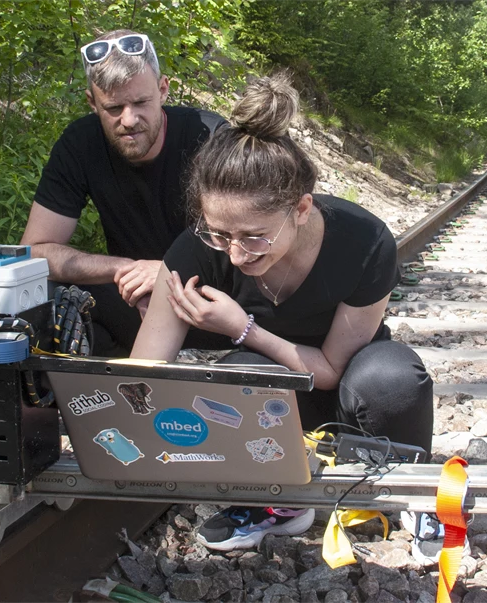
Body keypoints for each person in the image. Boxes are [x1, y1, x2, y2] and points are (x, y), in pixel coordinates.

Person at [130, 74, 435, 553]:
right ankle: (277, 502)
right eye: (219, 234)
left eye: (254, 237)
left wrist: (241, 327)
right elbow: (144, 369)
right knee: (235, 376)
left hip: (352, 399)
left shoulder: (364, 241)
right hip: (272, 414)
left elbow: (333, 371)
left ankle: (412, 494)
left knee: (392, 376)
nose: (234, 254)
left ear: (301, 207)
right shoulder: (197, 249)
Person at [20, 30, 226, 355]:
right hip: (134, 299)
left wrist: (170, 271)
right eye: (113, 107)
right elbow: (36, 250)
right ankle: (53, 401)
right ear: (92, 102)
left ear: (163, 90)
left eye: (141, 102)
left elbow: (253, 246)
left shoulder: (211, 138)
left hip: (209, 300)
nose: (128, 120)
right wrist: (124, 269)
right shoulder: (80, 144)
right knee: (35, 294)